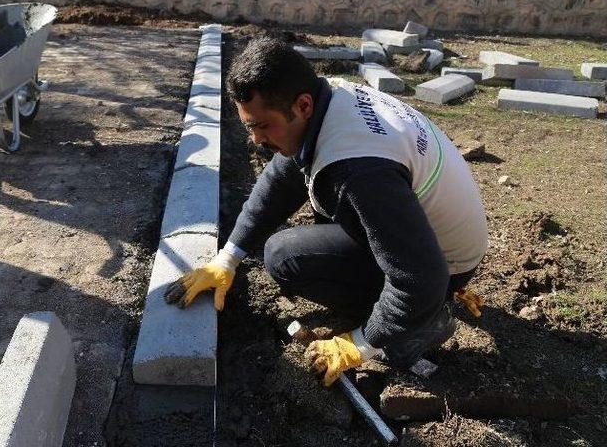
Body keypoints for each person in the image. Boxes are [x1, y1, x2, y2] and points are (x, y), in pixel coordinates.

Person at [164, 37, 488, 387]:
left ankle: (424, 321)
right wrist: (228, 258)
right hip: (431, 240)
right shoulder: (330, 98)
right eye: (249, 126)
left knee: (285, 256)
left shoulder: (357, 170)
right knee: (315, 208)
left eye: (262, 125)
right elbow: (280, 178)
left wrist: (359, 345)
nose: (256, 140)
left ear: (302, 106)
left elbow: (421, 279)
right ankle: (408, 304)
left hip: (439, 270)